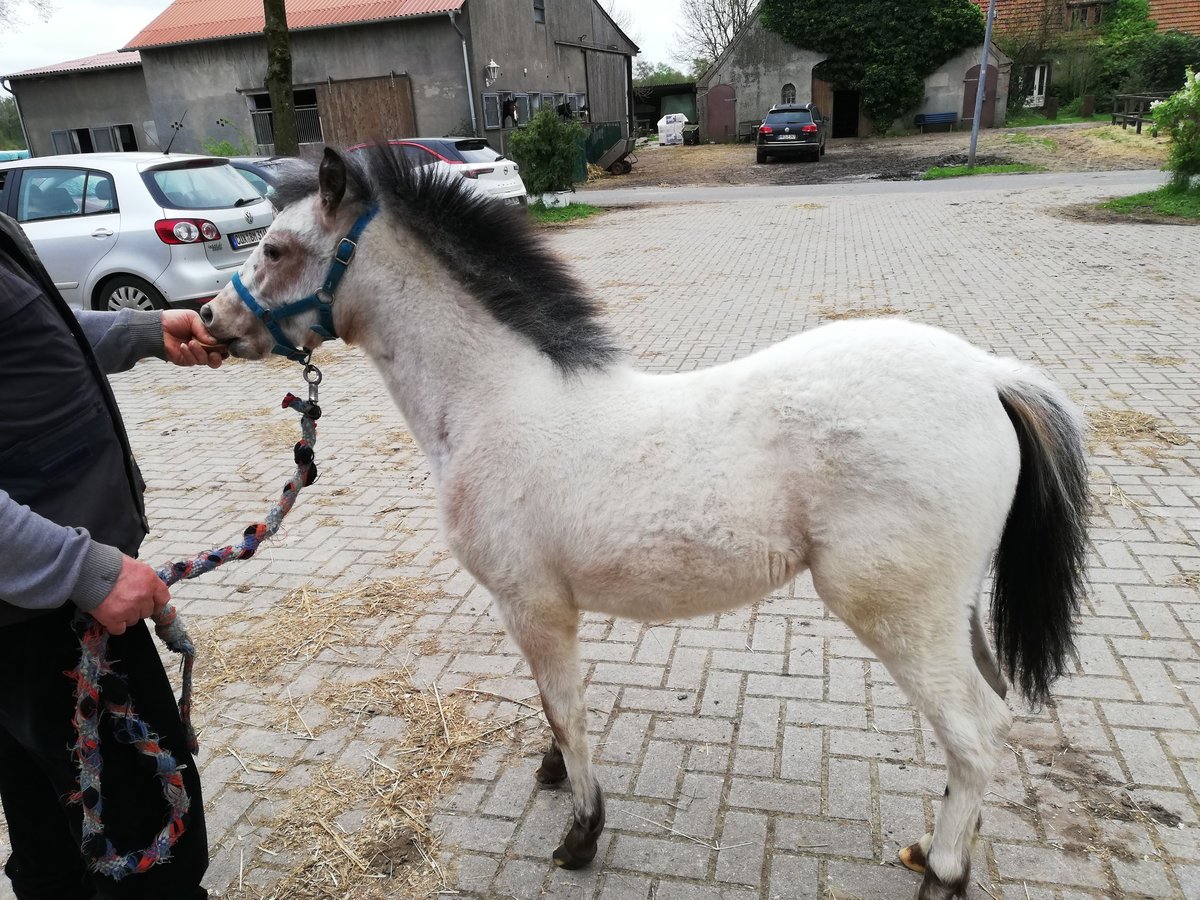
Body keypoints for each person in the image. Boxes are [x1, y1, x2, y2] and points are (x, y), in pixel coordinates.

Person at [0, 211, 224, 899]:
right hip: (52, 616)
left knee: (52, 838)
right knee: (154, 852)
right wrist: (78, 568)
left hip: (38, 607)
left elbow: (38, 340)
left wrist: (143, 331)